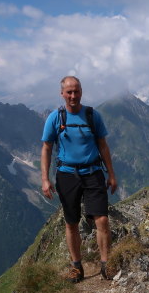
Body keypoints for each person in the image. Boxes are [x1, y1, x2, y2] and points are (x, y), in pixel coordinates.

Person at [41, 76, 118, 282]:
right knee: (71, 222)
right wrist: (45, 180)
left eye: (76, 91)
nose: (73, 96)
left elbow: (103, 145)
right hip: (67, 175)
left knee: (101, 219)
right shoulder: (55, 118)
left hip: (93, 172)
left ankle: (105, 263)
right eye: (69, 92)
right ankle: (76, 266)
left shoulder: (93, 115)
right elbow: (47, 148)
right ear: (62, 94)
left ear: (81, 92)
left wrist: (111, 174)